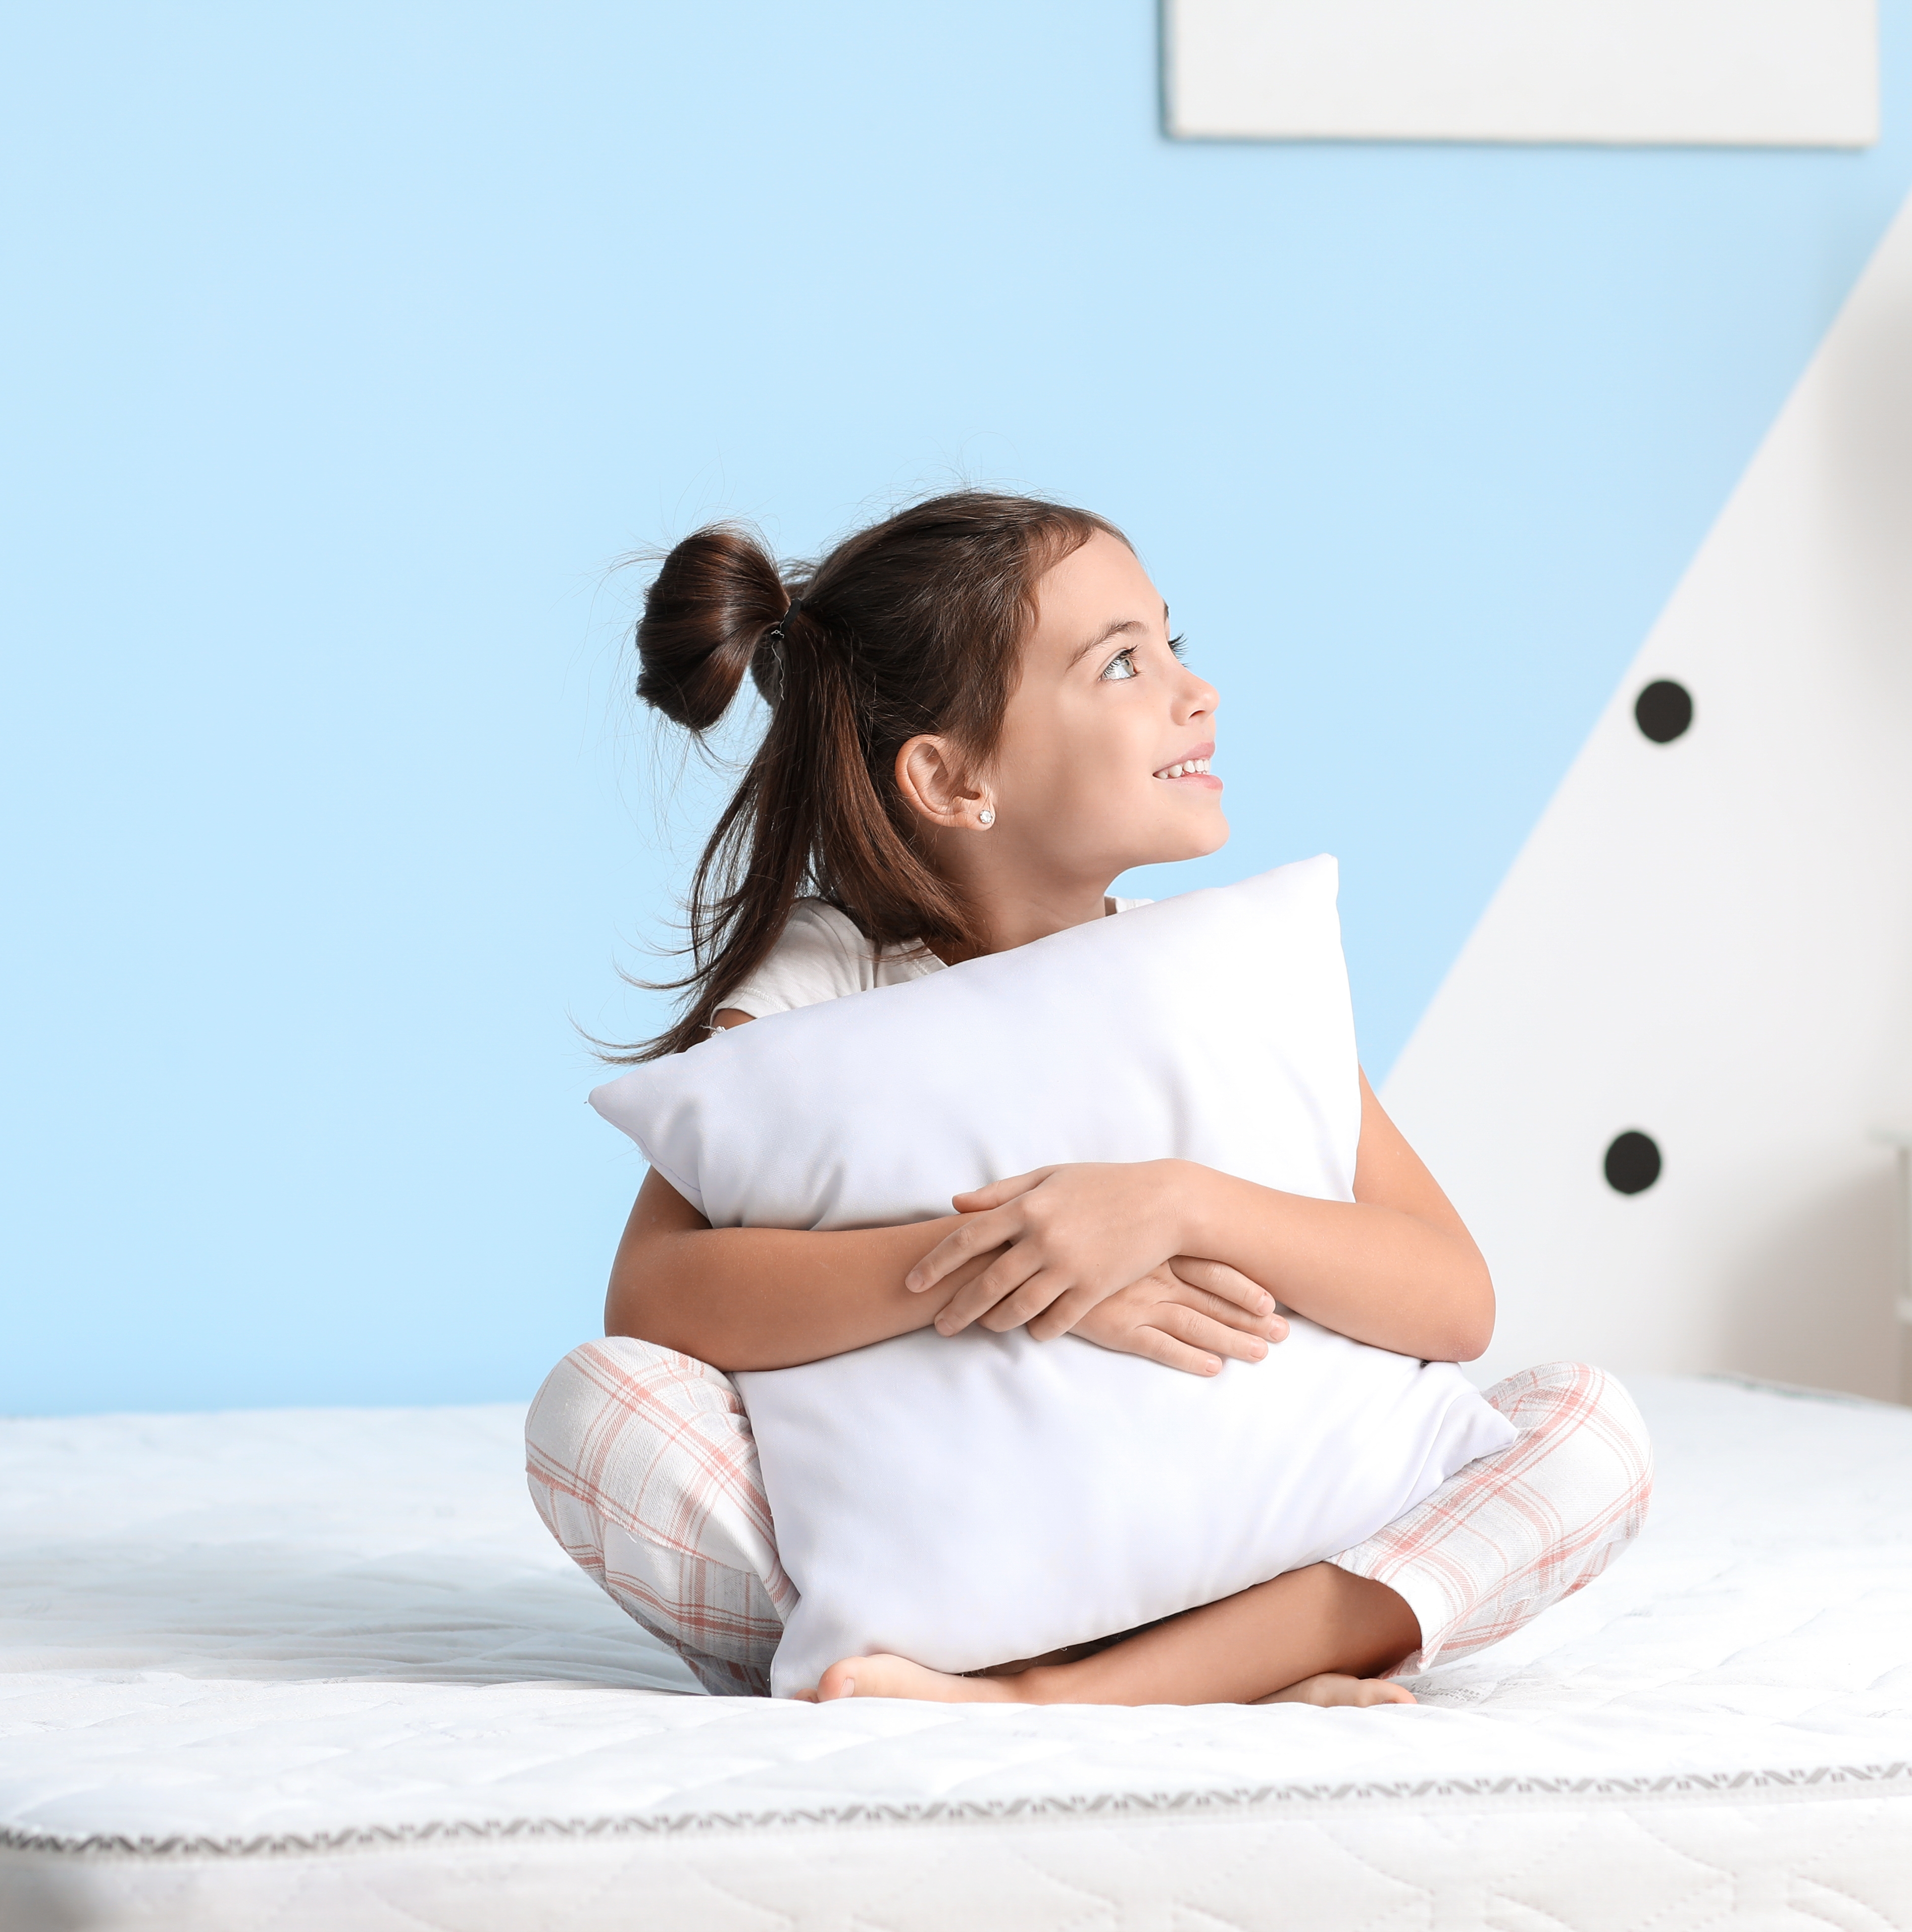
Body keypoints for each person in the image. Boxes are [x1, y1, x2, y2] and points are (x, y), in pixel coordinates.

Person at [529, 491, 1649, 1706]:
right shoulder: (823, 981)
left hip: (1233, 1543)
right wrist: (1008, 1268)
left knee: (1589, 1432)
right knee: (599, 1416)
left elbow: (1453, 1300)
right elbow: (656, 1300)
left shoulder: (1223, 970)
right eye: (1123, 661)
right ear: (953, 779)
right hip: (944, 1523)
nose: (1195, 688)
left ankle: (1062, 1694)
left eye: (1176, 640)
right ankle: (1009, 1648)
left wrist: (1173, 1209)